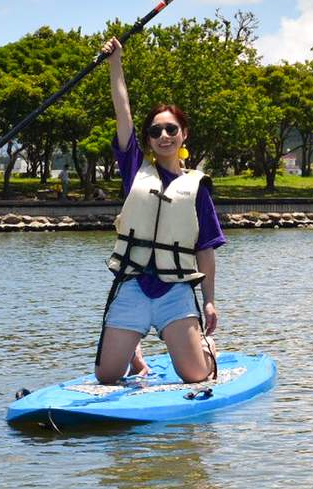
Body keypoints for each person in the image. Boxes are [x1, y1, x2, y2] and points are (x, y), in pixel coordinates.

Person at [94, 36, 223, 384]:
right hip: (133, 285)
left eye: (171, 129)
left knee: (196, 376)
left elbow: (205, 250)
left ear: (183, 135)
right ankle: (134, 352)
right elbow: (123, 113)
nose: (163, 135)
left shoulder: (196, 187)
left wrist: (209, 301)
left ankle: (205, 346)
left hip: (175, 290)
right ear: (148, 139)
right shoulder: (135, 169)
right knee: (107, 377)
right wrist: (115, 63)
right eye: (155, 131)